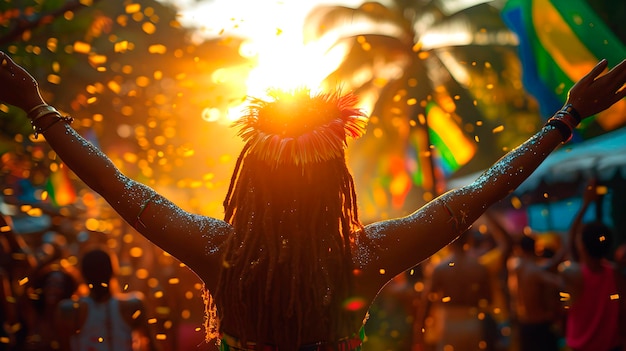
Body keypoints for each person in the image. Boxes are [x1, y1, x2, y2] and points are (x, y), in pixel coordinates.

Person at [0, 51, 624, 350]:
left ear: (251, 178)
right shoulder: (367, 254)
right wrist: (564, 119)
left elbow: (116, 186)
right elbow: (485, 190)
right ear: (337, 183)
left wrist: (37, 105)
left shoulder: (219, 251)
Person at [559, 179, 626, 351]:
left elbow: (569, 242)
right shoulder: (615, 274)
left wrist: (585, 204)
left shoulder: (573, 273)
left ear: (582, 245)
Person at [56, 248, 157, 351]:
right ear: (114, 271)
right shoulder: (133, 305)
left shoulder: (69, 310)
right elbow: (152, 346)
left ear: (83, 274)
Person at [416, 230, 493, 351]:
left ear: (448, 242)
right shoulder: (479, 267)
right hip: (473, 323)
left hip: (448, 324)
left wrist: (419, 331)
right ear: (469, 240)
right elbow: (488, 299)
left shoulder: (440, 268)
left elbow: (427, 302)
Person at [507, 233, 563, 351]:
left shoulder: (514, 266)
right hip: (540, 326)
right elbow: (558, 283)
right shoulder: (535, 271)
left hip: (524, 325)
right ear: (536, 248)